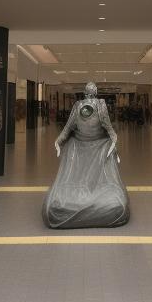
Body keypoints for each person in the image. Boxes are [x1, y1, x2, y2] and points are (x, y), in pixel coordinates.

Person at [42, 82, 130, 229]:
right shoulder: (100, 106)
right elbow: (109, 129)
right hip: (87, 147)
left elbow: (68, 128)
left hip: (91, 147)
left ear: (85, 93)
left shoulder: (78, 106)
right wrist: (115, 144)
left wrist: (59, 141)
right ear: (95, 92)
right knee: (115, 202)